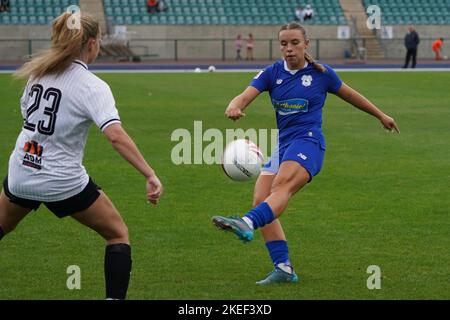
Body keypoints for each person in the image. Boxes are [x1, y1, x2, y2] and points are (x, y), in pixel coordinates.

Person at [212, 22, 399, 285]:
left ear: (306, 44)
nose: (289, 49)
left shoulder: (322, 74)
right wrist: (233, 107)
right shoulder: (271, 73)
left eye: (294, 43)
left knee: (281, 187)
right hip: (283, 145)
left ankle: (245, 223)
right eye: (284, 44)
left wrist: (381, 115)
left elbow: (351, 95)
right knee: (261, 199)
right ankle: (284, 269)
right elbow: (243, 97)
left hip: (308, 142)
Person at [0, 12, 163, 299]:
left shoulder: (38, 72)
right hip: (62, 181)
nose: (99, 45)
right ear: (90, 43)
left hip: (22, 170)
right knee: (117, 234)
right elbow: (115, 135)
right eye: (99, 40)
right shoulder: (92, 86)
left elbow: (28, 114)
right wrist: (149, 174)